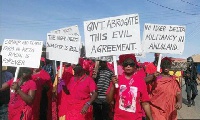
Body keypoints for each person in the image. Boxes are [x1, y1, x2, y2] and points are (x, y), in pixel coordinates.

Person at [106, 54, 153, 120]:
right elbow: (108, 100)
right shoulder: (116, 80)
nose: (128, 66)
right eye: (126, 64)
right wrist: (113, 86)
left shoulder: (140, 81)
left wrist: (150, 118)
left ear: (135, 66)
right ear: (123, 66)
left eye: (131, 64)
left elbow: (145, 103)